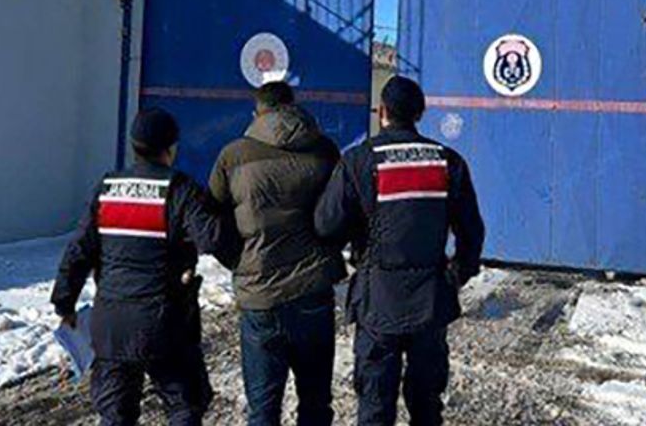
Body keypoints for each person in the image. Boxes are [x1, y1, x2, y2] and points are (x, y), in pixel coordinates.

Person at [315, 76, 485, 426]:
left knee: (375, 405)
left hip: (378, 302)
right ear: (419, 113)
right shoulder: (448, 161)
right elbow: (472, 232)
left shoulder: (359, 160)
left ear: (382, 112)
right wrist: (456, 275)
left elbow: (327, 225)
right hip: (431, 302)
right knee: (426, 405)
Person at [51, 108, 238, 426]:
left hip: (111, 325)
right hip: (165, 325)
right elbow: (214, 239)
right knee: (184, 406)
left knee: (115, 415)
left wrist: (64, 302)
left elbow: (79, 250)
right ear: (172, 148)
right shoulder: (180, 190)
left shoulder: (107, 188)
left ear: (134, 145)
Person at [208, 82, 345, 426]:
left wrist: (239, 261)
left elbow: (212, 223)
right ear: (292, 106)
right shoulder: (325, 150)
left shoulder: (233, 156)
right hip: (314, 291)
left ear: (256, 112)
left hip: (260, 296)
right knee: (316, 404)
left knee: (263, 409)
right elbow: (340, 215)